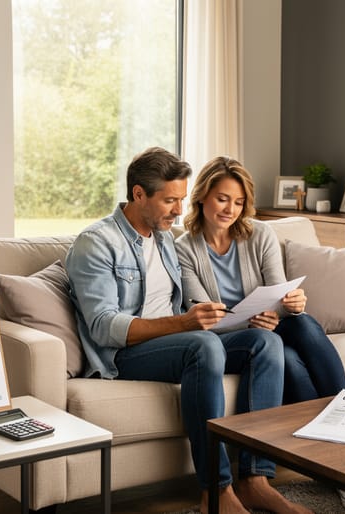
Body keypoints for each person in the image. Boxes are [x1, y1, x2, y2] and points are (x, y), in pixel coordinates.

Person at [65, 147, 311, 514]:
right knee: (204, 347)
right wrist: (185, 322)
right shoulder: (97, 243)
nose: (179, 211)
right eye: (170, 201)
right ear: (138, 194)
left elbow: (178, 304)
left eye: (181, 200)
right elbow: (103, 327)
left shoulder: (163, 237)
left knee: (265, 342)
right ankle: (216, 490)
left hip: (178, 340)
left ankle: (255, 479)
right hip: (125, 355)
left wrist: (198, 315)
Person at [175, 155, 345, 511]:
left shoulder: (261, 233)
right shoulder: (183, 249)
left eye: (238, 202)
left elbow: (279, 293)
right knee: (286, 355)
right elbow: (205, 317)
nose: (230, 209)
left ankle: (343, 448)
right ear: (203, 196)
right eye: (222, 199)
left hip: (269, 330)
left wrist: (291, 303)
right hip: (226, 342)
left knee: (302, 323)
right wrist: (252, 321)